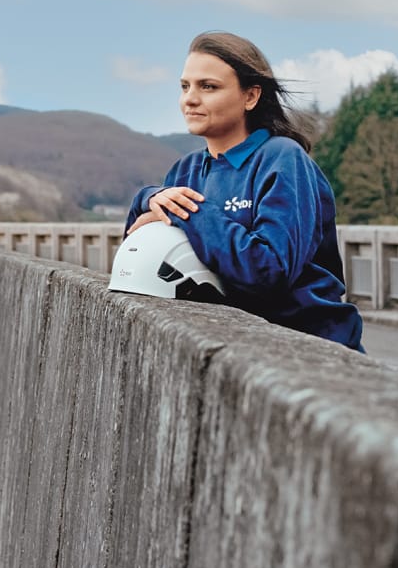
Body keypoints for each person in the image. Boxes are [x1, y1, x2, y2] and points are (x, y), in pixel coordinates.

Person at [125, 30, 364, 352]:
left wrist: (189, 213)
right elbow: (144, 261)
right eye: (185, 86)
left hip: (307, 350)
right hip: (226, 346)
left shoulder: (282, 159)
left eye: (208, 86)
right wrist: (148, 197)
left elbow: (268, 271)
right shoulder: (185, 171)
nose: (190, 99)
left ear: (250, 96)